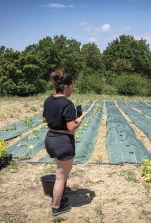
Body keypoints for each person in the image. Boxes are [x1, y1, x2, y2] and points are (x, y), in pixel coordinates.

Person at [42, 70, 84, 216]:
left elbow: (44, 119)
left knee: (63, 170)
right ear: (66, 86)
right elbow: (71, 128)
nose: (73, 89)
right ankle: (56, 206)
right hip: (63, 142)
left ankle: (61, 197)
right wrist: (79, 120)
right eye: (72, 86)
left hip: (50, 139)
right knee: (60, 175)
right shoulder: (67, 103)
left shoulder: (48, 99)